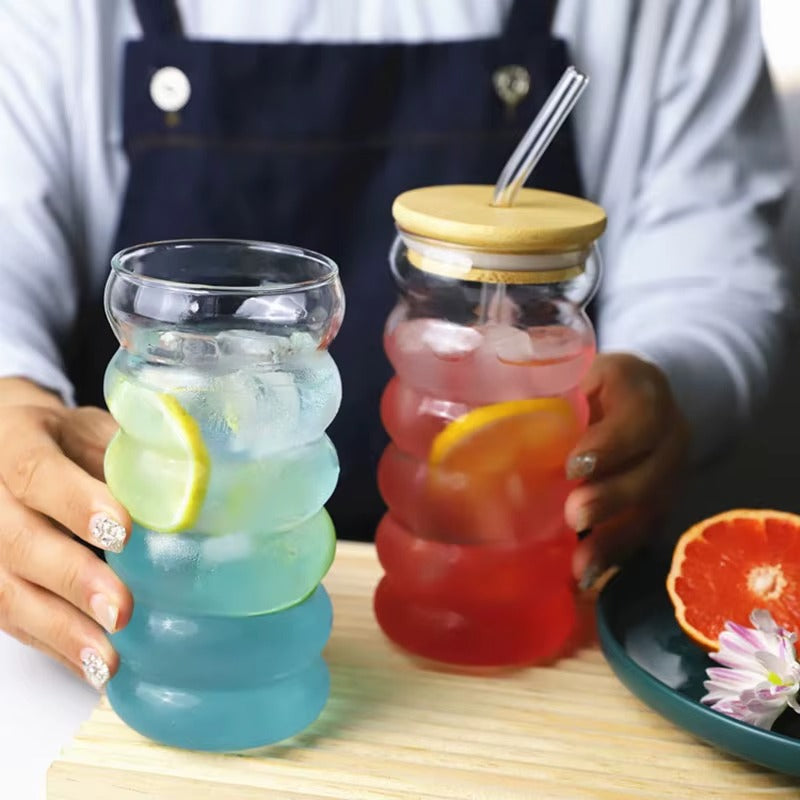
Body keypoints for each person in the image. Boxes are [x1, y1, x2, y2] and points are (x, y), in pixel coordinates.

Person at [0, 0, 791, 689]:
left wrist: (672, 382)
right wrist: (10, 400)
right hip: (131, 626)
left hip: (548, 626)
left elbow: (712, 252)